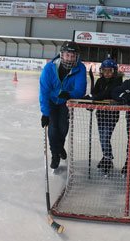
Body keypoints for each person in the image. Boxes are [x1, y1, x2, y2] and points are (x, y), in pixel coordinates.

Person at [39, 41, 87, 169]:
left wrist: (68, 94)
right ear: (62, 55)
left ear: (76, 57)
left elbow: (80, 90)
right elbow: (44, 92)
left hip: (66, 102)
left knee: (63, 128)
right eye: (67, 55)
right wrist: (45, 113)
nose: (69, 58)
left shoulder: (80, 68)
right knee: (53, 127)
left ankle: (59, 147)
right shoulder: (49, 68)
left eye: (72, 56)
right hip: (51, 101)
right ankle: (55, 154)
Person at [85, 58, 123, 176]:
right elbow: (96, 94)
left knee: (105, 137)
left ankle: (107, 158)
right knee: (102, 137)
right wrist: (91, 103)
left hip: (111, 115)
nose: (107, 73)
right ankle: (106, 157)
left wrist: (93, 97)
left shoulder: (117, 81)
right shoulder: (100, 81)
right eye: (104, 71)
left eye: (109, 71)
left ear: (114, 71)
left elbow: (108, 94)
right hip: (101, 114)